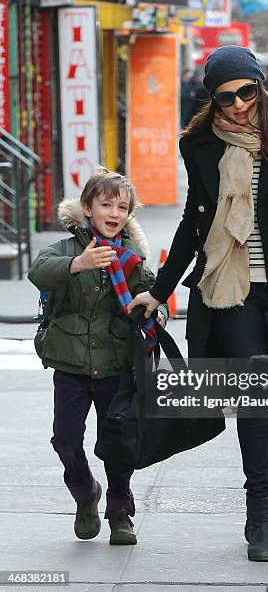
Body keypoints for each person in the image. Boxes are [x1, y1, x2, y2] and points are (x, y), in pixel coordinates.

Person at [128, 46, 268, 562]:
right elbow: (193, 223)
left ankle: (264, 488)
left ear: (259, 87)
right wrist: (162, 287)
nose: (240, 105)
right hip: (230, 286)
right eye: (227, 97)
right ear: (212, 99)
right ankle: (259, 506)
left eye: (247, 91)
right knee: (254, 394)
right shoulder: (199, 144)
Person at [28, 168, 168, 546]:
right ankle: (86, 493)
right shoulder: (68, 248)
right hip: (71, 365)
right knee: (66, 440)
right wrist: (79, 264)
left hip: (116, 366)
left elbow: (155, 296)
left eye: (122, 207)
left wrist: (156, 310)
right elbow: (38, 272)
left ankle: (120, 512)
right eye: (105, 204)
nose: (114, 212)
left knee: (117, 441)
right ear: (88, 208)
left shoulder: (132, 258)